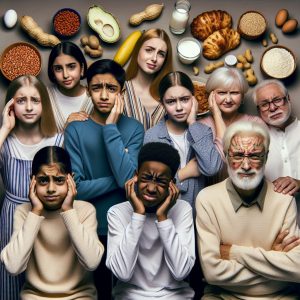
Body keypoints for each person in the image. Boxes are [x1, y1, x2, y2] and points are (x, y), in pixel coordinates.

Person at [64, 59, 144, 299]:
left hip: (126, 224)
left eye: (111, 89)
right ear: (88, 91)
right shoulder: (76, 129)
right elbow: (76, 188)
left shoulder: (134, 128)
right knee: (93, 290)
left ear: (121, 92)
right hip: (88, 224)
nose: (104, 95)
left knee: (125, 291)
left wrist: (110, 127)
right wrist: (120, 177)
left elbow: (129, 179)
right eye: (97, 88)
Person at [196, 121, 300, 299]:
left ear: (266, 157)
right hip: (223, 296)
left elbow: (297, 268)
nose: (245, 165)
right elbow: (212, 273)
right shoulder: (207, 199)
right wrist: (274, 261)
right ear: (227, 156)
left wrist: (235, 253)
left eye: (254, 156)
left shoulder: (284, 200)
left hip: (280, 296)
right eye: (237, 155)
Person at [1, 146, 104, 299]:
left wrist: (68, 211)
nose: (51, 188)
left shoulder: (85, 211)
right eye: (43, 181)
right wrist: (35, 212)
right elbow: (13, 266)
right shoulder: (24, 212)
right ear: (33, 181)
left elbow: (92, 262)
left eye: (59, 180)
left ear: (71, 180)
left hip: (79, 296)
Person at [0, 75, 63, 300]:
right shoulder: (5, 141)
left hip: (50, 219)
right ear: (10, 105)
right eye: (21, 100)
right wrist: (4, 129)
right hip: (11, 215)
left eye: (35, 101)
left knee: (46, 278)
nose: (28, 107)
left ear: (44, 104)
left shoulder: (58, 140)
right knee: (11, 273)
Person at [106, 142, 195, 300]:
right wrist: (138, 215)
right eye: (146, 178)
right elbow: (122, 273)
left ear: (172, 184)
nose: (152, 188)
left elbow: (181, 272)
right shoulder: (117, 213)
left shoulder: (183, 209)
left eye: (160, 182)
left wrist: (163, 218)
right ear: (136, 176)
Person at [144, 71, 222, 209]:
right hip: (164, 212)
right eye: (171, 101)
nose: (179, 107)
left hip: (197, 212)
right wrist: (183, 173)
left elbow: (212, 168)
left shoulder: (203, 131)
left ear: (194, 99)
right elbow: (150, 185)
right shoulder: (153, 136)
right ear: (162, 103)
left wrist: (192, 123)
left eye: (185, 99)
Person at [200, 67, 265, 184]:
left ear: (243, 97)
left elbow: (229, 157)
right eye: (222, 93)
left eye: (234, 93)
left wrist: (216, 115)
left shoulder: (255, 124)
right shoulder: (200, 127)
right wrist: (216, 114)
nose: (228, 99)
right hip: (209, 194)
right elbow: (215, 165)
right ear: (211, 96)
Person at [253, 79, 300, 197]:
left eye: (277, 100)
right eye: (264, 104)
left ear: (288, 99)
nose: (272, 108)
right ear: (259, 110)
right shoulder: (252, 141)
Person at [123, 28, 173, 130]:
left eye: (161, 54)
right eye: (149, 50)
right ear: (137, 50)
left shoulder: (170, 95)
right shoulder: (119, 90)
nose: (154, 58)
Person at [47, 41, 93, 132]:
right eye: (58, 68)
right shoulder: (45, 97)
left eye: (71, 67)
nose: (65, 75)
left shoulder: (95, 97)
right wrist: (67, 129)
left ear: (82, 68)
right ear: (53, 71)